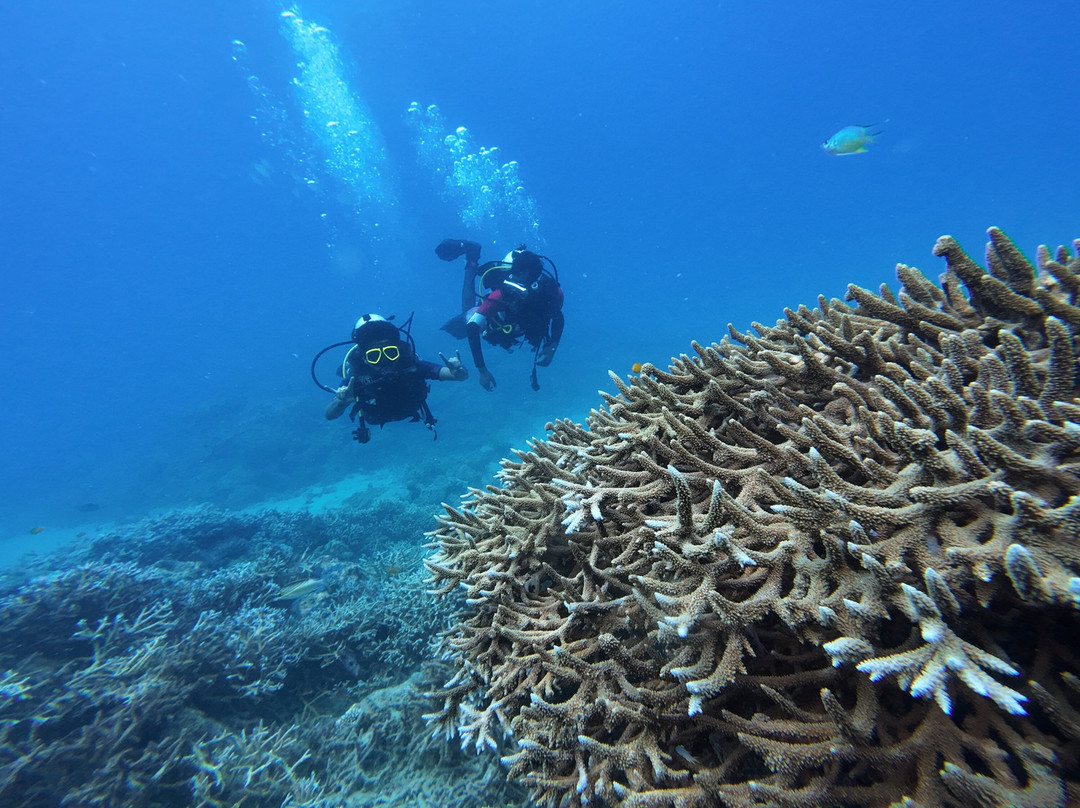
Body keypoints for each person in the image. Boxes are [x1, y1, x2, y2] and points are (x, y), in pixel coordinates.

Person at [436, 238, 564, 391]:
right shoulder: (501, 294)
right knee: (468, 315)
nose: (511, 280)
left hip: (517, 323)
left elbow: (557, 316)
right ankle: (472, 258)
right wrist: (482, 370)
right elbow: (472, 326)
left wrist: (553, 346)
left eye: (515, 276)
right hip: (501, 318)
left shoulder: (552, 293)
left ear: (524, 274)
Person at [322, 313, 467, 443]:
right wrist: (341, 402)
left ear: (398, 350)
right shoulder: (356, 377)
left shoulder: (410, 364)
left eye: (390, 353)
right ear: (364, 359)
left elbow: (456, 375)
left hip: (410, 408)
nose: (384, 361)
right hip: (375, 416)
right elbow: (330, 414)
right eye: (374, 356)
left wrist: (458, 371)